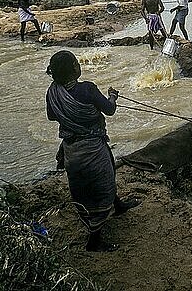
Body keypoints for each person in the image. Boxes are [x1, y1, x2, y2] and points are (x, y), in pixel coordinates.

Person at [46, 50, 139, 252]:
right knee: (102, 185)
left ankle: (119, 205)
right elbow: (110, 110)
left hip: (72, 149)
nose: (79, 66)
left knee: (91, 181)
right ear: (73, 69)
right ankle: (94, 241)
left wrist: (74, 118)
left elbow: (52, 116)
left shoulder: (53, 92)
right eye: (76, 63)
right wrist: (113, 96)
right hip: (92, 148)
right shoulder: (87, 89)